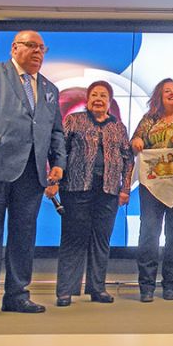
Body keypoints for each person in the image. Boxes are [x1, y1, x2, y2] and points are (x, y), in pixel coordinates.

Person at [0, 31, 66, 321]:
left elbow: (55, 131)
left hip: (31, 172)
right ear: (15, 47)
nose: (38, 52)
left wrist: (58, 163)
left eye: (42, 48)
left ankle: (17, 295)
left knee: (23, 236)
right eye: (31, 46)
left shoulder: (49, 89)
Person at [54, 81, 134, 307]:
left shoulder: (118, 127)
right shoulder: (74, 121)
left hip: (108, 190)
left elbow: (128, 159)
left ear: (109, 102)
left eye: (104, 96)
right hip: (76, 188)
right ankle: (65, 291)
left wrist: (125, 188)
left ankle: (97, 288)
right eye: (94, 95)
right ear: (88, 100)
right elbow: (60, 151)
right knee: (73, 239)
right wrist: (55, 178)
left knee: (101, 240)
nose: (99, 99)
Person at [131, 78, 173, 303]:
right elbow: (136, 140)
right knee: (149, 235)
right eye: (167, 91)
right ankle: (146, 285)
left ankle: (170, 284)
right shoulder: (149, 120)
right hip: (151, 186)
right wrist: (136, 141)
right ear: (159, 96)